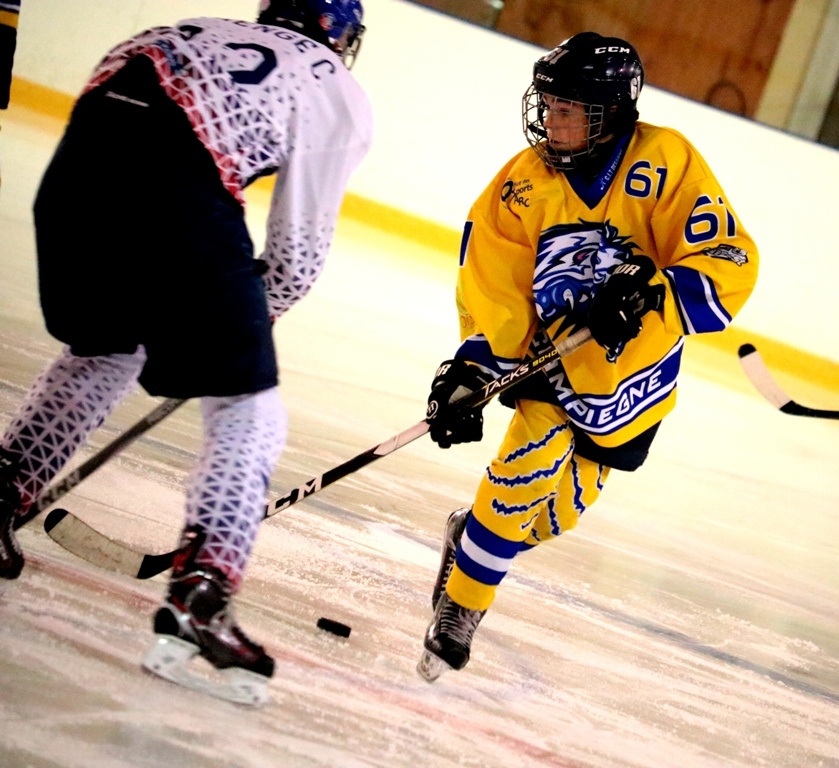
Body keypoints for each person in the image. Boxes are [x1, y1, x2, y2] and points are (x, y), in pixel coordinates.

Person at [0, 0, 372, 704]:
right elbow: (297, 250)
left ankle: (0, 491)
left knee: (106, 348)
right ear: (339, 33)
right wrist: (247, 326)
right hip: (177, 191)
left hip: (73, 182)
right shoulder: (334, 83)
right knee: (248, 407)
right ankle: (202, 592)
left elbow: (107, 106)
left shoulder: (193, 28)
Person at [417, 32, 758, 682]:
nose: (551, 120)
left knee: (560, 510)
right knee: (520, 476)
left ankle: (471, 538)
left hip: (633, 375)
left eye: (568, 109)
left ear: (610, 113)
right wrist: (473, 369)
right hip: (553, 355)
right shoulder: (523, 183)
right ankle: (461, 608)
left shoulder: (664, 160)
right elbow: (493, 284)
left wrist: (649, 293)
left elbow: (728, 254)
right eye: (548, 105)